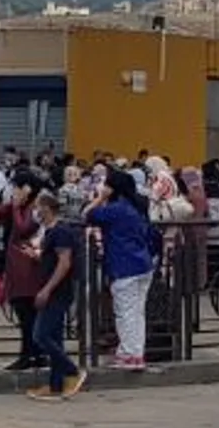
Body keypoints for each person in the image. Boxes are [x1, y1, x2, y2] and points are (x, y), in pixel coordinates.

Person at [85, 168, 155, 371]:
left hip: (124, 266)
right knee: (137, 312)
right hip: (143, 264)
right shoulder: (137, 206)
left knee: (125, 313)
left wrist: (100, 198)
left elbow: (87, 214)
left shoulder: (116, 209)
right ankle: (136, 353)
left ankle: (128, 355)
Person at [25, 189, 87, 400]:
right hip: (53, 289)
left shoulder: (60, 232)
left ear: (47, 209)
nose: (36, 212)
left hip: (57, 291)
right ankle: (56, 385)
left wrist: (47, 289)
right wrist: (37, 256)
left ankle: (72, 371)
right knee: (55, 338)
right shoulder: (51, 233)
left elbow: (64, 262)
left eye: (38, 208)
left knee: (40, 335)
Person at [0, 171, 45, 371]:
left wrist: (15, 207)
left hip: (29, 267)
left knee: (28, 314)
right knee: (26, 313)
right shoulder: (20, 206)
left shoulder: (36, 207)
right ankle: (34, 353)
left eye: (17, 188)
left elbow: (23, 228)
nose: (13, 192)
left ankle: (29, 354)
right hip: (18, 266)